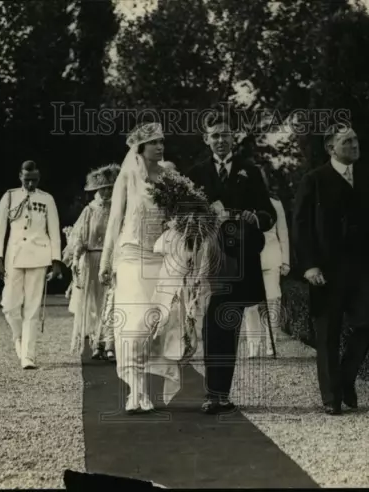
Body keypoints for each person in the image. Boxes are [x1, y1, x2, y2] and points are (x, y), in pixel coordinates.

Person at [292, 124, 369, 415]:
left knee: (367, 323)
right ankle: (331, 398)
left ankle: (346, 377)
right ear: (331, 148)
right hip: (325, 271)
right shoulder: (313, 180)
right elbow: (301, 227)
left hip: (361, 268)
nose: (355, 145)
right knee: (327, 333)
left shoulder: (366, 180)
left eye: (356, 139)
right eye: (348, 141)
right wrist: (309, 265)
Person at [186, 111, 276, 414]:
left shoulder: (249, 171)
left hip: (241, 257)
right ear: (206, 139)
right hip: (211, 259)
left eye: (226, 134)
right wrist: (204, 216)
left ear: (233, 137)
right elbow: (184, 218)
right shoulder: (196, 173)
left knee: (230, 322)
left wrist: (256, 217)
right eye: (215, 135)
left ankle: (223, 393)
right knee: (213, 322)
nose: (221, 140)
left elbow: (268, 214)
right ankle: (212, 393)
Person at [98, 122, 183, 414]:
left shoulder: (170, 174)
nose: (160, 147)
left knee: (155, 323)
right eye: (154, 143)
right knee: (133, 326)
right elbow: (114, 220)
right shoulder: (128, 175)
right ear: (141, 148)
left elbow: (179, 214)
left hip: (160, 256)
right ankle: (137, 391)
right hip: (131, 254)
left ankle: (144, 385)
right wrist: (106, 261)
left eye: (162, 141)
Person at [0, 160, 62, 370]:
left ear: (39, 178)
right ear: (20, 177)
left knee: (32, 309)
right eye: (27, 179)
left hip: (39, 256)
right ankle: (18, 338)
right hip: (14, 257)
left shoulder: (47, 199)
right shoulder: (10, 196)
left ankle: (28, 356)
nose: (31, 184)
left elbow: (54, 231)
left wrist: (56, 261)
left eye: (34, 180)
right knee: (9, 305)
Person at [64, 163, 119, 361]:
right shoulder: (90, 210)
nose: (106, 192)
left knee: (111, 301)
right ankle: (96, 342)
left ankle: (109, 343)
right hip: (92, 259)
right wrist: (76, 253)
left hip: (111, 259)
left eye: (110, 188)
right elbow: (78, 236)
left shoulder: (118, 209)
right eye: (102, 188)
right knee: (94, 303)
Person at [241, 166, 290, 358]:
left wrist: (285, 261)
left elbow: (283, 233)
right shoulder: (241, 205)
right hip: (248, 260)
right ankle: (253, 345)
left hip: (271, 257)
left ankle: (272, 343)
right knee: (250, 305)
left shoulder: (274, 204)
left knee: (272, 300)